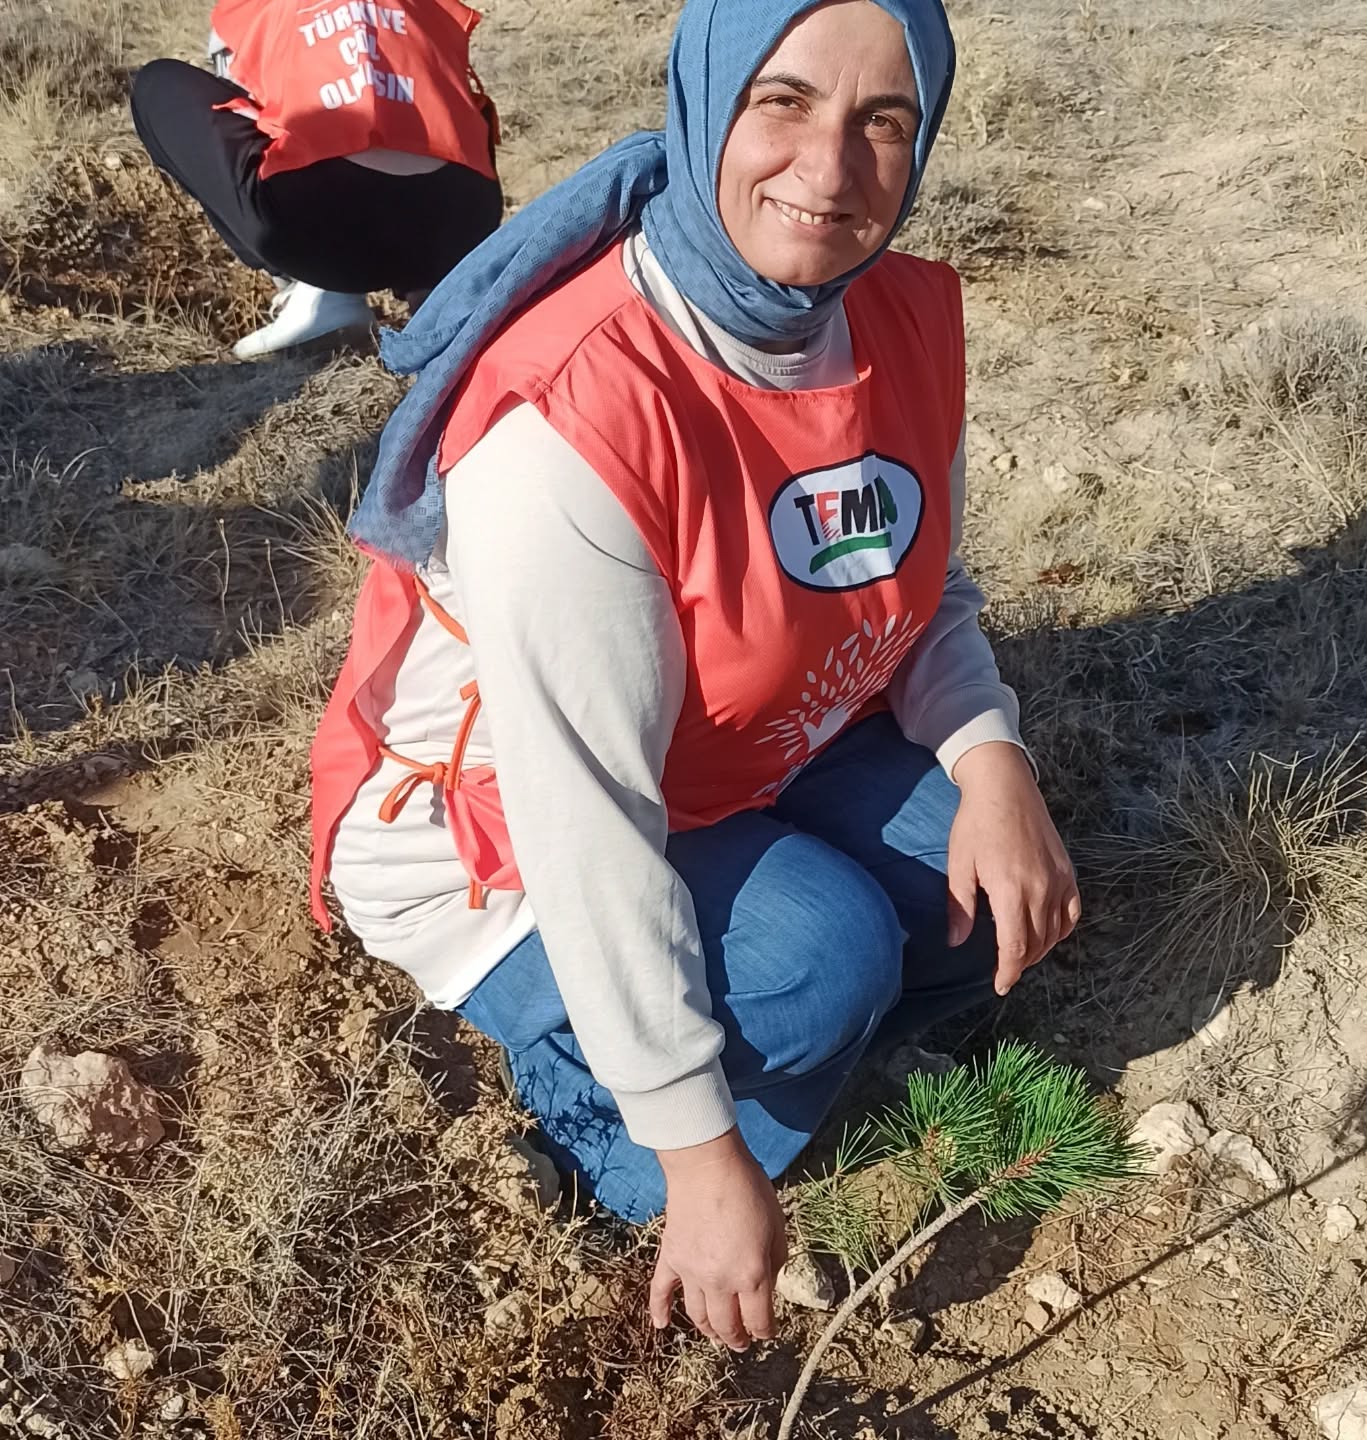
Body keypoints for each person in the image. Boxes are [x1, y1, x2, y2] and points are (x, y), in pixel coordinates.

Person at [310, 0, 1081, 1353]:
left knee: (974, 897)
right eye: (783, 101)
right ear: (707, 97)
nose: (830, 169)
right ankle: (607, 1144)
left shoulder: (896, 316)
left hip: (733, 749)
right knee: (825, 957)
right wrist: (696, 1154)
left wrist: (994, 760)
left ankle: (781, 1065)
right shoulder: (577, 412)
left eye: (883, 120)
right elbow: (583, 812)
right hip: (494, 828)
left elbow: (921, 586)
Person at [129, 0, 503, 358]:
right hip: (460, 223)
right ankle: (437, 293)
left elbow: (241, 93)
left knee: (157, 83)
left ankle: (310, 294)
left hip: (322, 233)